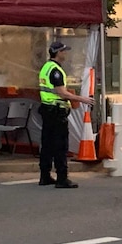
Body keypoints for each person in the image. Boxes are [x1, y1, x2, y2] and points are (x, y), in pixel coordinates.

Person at [38, 41, 94, 189]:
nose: (66, 53)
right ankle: (62, 178)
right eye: (64, 51)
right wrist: (82, 99)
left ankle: (44, 176)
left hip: (47, 109)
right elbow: (61, 93)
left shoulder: (46, 67)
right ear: (58, 53)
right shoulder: (55, 71)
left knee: (47, 145)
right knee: (60, 146)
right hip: (56, 111)